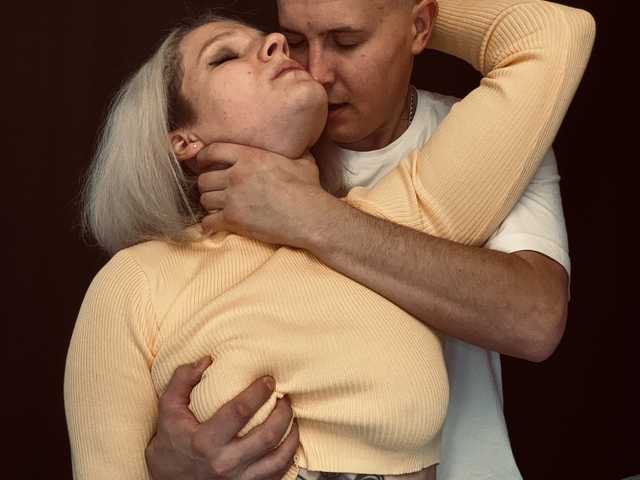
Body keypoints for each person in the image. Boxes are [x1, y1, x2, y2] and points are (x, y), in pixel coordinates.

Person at [63, 3, 595, 480]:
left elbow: (551, 33)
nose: (304, 61)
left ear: (419, 27)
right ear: (184, 140)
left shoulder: (398, 212)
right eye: (295, 39)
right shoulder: (138, 280)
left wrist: (306, 213)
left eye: (346, 39)